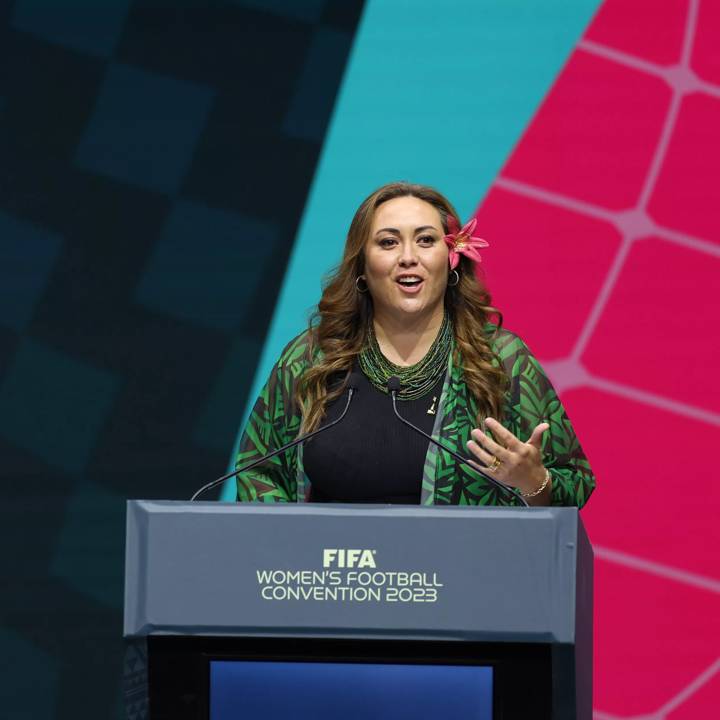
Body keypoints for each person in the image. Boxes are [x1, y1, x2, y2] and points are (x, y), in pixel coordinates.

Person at [235, 182, 595, 507]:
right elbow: (257, 471)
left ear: (451, 258)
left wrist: (534, 482)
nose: (409, 256)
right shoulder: (314, 357)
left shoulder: (501, 360)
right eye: (388, 242)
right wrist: (290, 548)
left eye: (425, 240)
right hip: (333, 573)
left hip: (463, 573)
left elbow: (575, 484)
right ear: (361, 266)